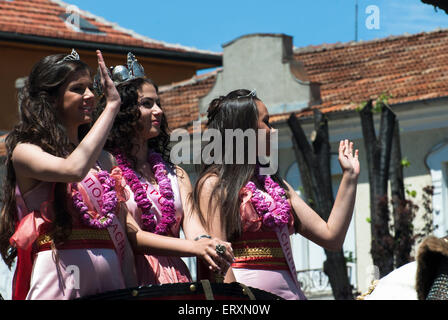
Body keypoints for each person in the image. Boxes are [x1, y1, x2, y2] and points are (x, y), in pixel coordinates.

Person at [0, 49, 232, 300]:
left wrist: (130, 289)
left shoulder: (105, 160)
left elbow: (121, 234)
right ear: (51, 98)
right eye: (78, 89)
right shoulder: (26, 152)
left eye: (90, 88)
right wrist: (111, 106)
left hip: (112, 274)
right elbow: (73, 170)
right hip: (61, 275)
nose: (90, 95)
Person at [191, 89, 360, 300]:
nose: (272, 130)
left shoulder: (276, 185)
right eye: (266, 122)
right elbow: (218, 262)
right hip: (247, 299)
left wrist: (350, 177)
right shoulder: (214, 184)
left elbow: (331, 237)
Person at [93, 53, 233, 285]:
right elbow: (132, 236)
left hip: (178, 280)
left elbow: (195, 228)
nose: (158, 111)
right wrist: (194, 247)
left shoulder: (176, 173)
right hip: (131, 278)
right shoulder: (107, 169)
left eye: (158, 103)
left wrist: (210, 243)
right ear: (124, 110)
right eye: (147, 104)